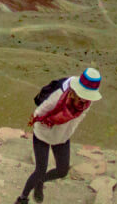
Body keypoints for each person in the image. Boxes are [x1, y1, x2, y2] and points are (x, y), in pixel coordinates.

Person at [16, 69, 100, 204]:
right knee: (40, 170)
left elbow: (78, 119)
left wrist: (66, 133)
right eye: (84, 94)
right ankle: (22, 198)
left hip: (62, 137)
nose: (85, 98)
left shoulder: (87, 103)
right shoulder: (59, 95)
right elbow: (40, 111)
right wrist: (45, 123)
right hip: (43, 134)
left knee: (62, 171)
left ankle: (40, 183)